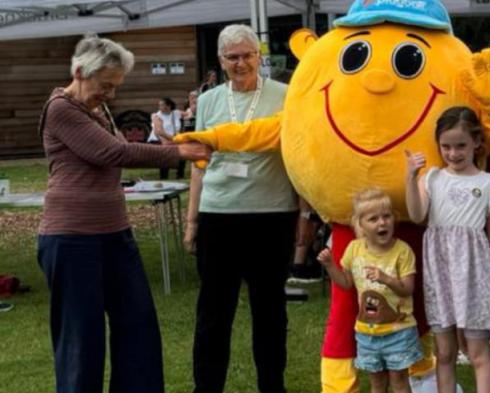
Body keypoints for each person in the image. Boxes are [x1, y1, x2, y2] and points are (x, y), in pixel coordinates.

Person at [37, 34, 210, 393]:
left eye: (116, 87)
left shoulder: (96, 109)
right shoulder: (61, 108)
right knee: (81, 338)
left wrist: (175, 148)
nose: (111, 95)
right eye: (105, 86)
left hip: (115, 233)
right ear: (81, 71)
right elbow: (112, 153)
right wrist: (179, 153)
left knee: (138, 327)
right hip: (71, 238)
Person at [184, 24, 299, 393]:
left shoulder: (286, 95)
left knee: (270, 312)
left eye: (248, 55)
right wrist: (192, 220)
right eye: (232, 57)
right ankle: (207, 387)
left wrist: (304, 215)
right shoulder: (208, 101)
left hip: (271, 215)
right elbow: (198, 165)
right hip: (219, 216)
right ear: (220, 61)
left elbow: (298, 158)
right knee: (214, 314)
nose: (241, 63)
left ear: (259, 57)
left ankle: (272, 385)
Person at [405, 106, 490, 393]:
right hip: (440, 275)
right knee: (444, 353)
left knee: (477, 352)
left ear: (477, 142)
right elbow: (417, 215)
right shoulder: (432, 179)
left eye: (461, 146)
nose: (453, 153)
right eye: (446, 147)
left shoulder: (489, 183)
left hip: (474, 274)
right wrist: (410, 178)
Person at [318, 188, 422, 393]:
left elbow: (407, 289)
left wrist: (386, 279)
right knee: (376, 382)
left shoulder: (402, 251)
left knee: (399, 380)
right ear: (361, 225)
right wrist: (331, 266)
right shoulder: (354, 249)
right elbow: (346, 283)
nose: (382, 223)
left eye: (386, 216)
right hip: (367, 333)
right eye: (373, 219)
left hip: (399, 331)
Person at [148, 97, 184, 179]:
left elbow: (190, 113)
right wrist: (174, 140)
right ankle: (164, 177)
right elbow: (159, 132)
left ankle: (180, 175)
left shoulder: (176, 113)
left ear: (169, 106)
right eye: (159, 105)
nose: (159, 107)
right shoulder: (156, 116)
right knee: (166, 153)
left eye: (162, 105)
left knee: (182, 151)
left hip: (172, 139)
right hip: (158, 140)